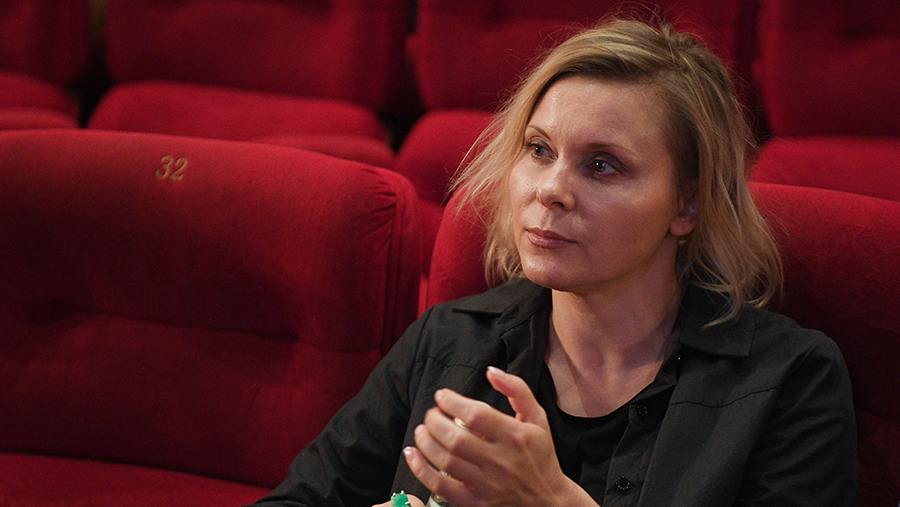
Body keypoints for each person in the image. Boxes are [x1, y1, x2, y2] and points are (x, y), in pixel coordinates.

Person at [249, 16, 857, 507]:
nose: (550, 190)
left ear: (688, 205)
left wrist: (551, 501)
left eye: (602, 165)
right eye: (539, 150)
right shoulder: (449, 339)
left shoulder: (790, 380)